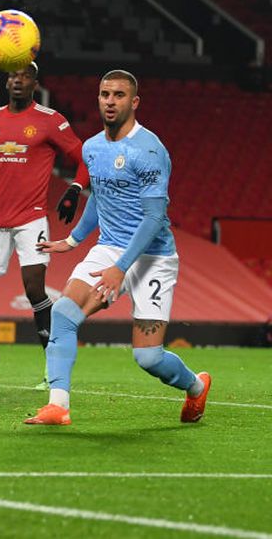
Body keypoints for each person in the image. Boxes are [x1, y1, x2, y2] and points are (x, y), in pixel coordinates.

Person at [27, 70, 210, 425]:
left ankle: (196, 387)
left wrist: (121, 267)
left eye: (119, 95)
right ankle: (58, 406)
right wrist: (73, 240)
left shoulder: (149, 150)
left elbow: (154, 217)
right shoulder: (92, 147)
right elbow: (100, 196)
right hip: (110, 247)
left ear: (134, 102)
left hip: (153, 256)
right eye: (105, 94)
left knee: (148, 358)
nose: (110, 101)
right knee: (63, 315)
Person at [0, 62, 89, 387]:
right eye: (14, 75)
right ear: (7, 82)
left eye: (25, 76)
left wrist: (74, 188)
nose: (18, 81)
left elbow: (84, 157)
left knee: (34, 289)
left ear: (34, 84)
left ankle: (52, 371)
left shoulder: (50, 120)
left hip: (31, 219)